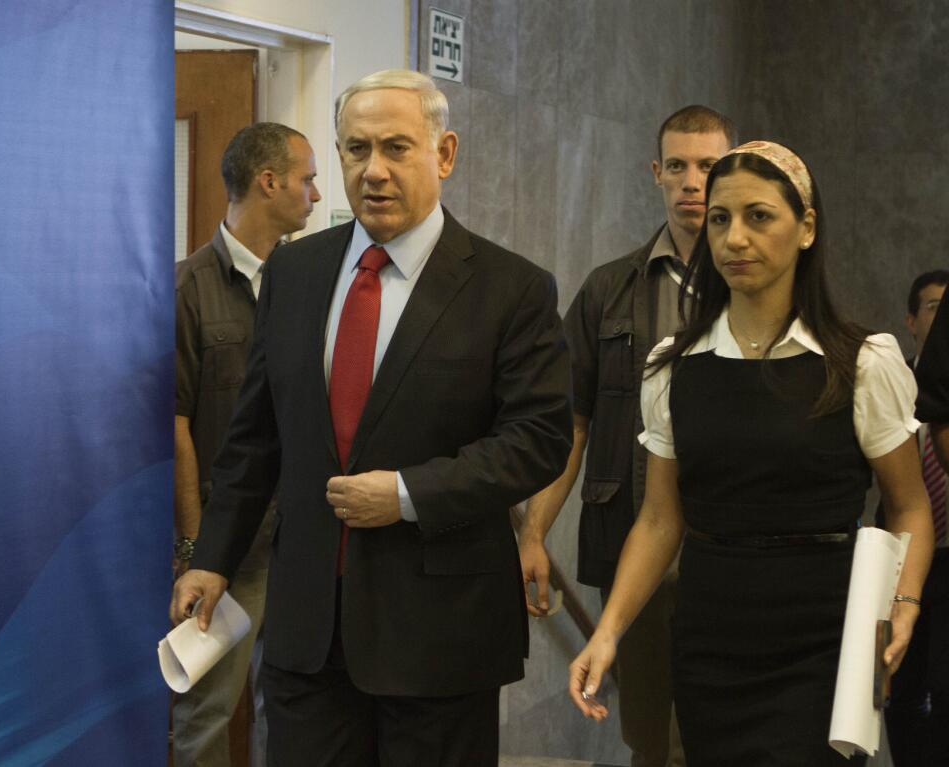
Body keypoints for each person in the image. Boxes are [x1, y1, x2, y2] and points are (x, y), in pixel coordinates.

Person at [170, 68, 573, 766]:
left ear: (444, 154)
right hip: (307, 631)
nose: (374, 171)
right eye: (356, 150)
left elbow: (537, 442)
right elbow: (254, 439)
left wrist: (409, 494)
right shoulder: (294, 274)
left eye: (396, 148)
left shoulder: (512, 289)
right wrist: (214, 557)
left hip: (439, 639)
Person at [568, 140, 935, 766]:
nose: (735, 238)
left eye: (758, 216)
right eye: (720, 219)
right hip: (711, 635)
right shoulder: (674, 367)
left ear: (807, 227)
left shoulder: (861, 362)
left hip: (824, 640)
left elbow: (908, 508)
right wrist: (608, 632)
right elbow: (659, 519)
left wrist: (902, 606)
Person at [519, 105, 735, 767]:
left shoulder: (762, 280)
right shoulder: (609, 289)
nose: (692, 181)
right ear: (656, 173)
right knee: (650, 736)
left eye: (708, 166)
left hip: (735, 546)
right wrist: (532, 531)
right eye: (678, 166)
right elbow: (570, 422)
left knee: (730, 731)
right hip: (636, 545)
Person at [172, 121, 321, 767]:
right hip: (226, 552)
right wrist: (199, 547)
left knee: (288, 711)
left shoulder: (309, 285)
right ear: (270, 182)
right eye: (308, 179)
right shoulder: (186, 290)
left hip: (302, 542)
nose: (316, 194)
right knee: (206, 715)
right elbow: (171, 428)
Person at [893, 271, 949, 765]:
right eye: (934, 306)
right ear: (912, 320)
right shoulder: (893, 382)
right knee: (903, 689)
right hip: (905, 553)